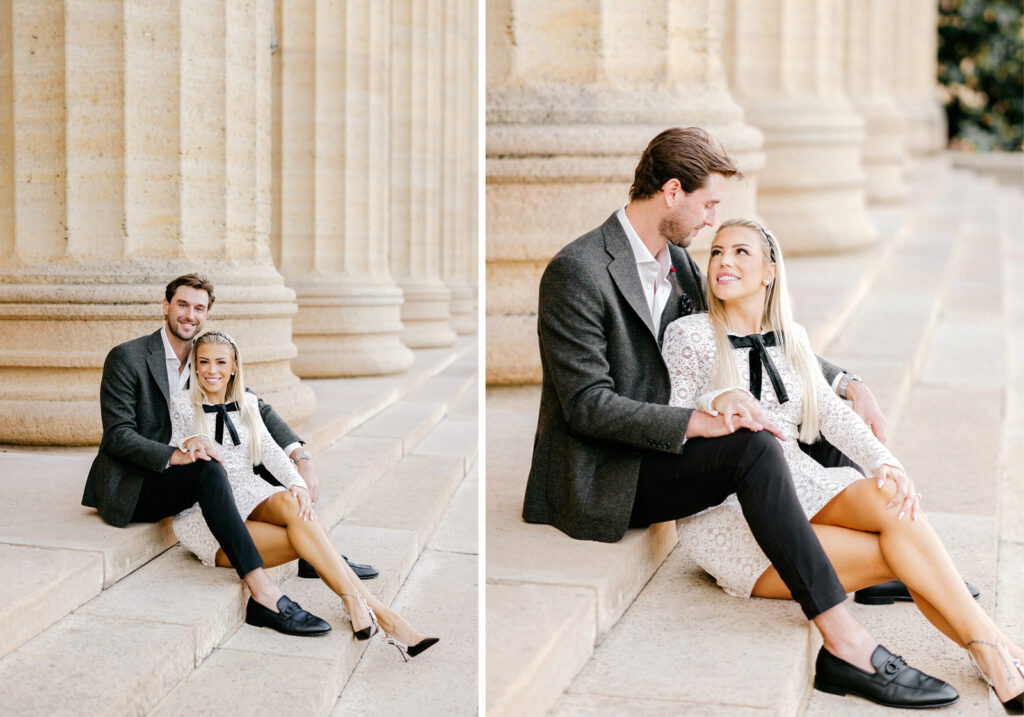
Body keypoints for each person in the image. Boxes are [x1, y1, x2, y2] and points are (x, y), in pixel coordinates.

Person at [523, 127, 958, 708]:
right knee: (755, 445)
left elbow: (756, 335)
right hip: (611, 469)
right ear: (673, 193)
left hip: (664, 444)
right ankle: (845, 641)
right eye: (708, 204)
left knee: (804, 415)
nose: (711, 222)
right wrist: (696, 422)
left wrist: (845, 382)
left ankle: (877, 565)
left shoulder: (674, 260)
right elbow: (586, 407)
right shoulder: (577, 270)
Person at [663, 217, 1023, 713]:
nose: (725, 261)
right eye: (717, 252)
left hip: (802, 482)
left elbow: (832, 414)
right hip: (734, 517)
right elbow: (674, 415)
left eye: (741, 252)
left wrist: (888, 463)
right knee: (907, 553)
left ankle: (992, 650)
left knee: (892, 500)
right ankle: (1001, 654)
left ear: (770, 271)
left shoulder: (793, 338)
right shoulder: (690, 334)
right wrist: (718, 397)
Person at [81, 274, 372, 639]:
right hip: (141, 481)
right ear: (166, 306)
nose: (190, 314)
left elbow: (255, 411)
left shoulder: (208, 356)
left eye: (199, 308)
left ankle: (319, 555)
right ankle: (264, 591)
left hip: (193, 471)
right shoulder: (129, 357)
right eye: (182, 305)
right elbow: (118, 436)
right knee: (212, 467)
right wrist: (177, 454)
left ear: (207, 314)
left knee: (255, 468)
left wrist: (301, 455)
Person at [170, 329, 437, 657]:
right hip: (212, 515)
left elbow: (269, 448)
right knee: (310, 539)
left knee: (293, 502)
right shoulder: (184, 403)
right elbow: (181, 440)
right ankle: (384, 615)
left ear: (235, 366)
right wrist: (191, 443)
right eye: (204, 362)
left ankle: (357, 602)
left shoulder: (248, 403)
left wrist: (297, 482)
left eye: (220, 362)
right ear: (195, 367)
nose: (212, 370)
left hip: (251, 492)